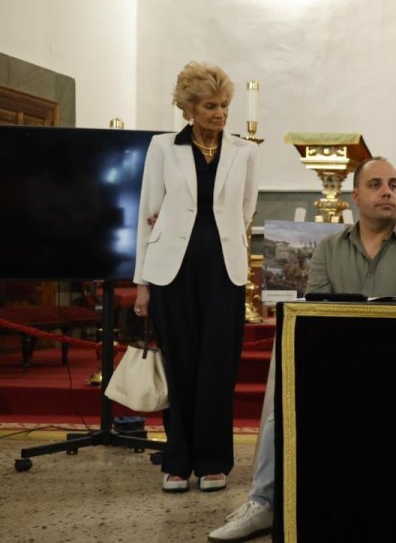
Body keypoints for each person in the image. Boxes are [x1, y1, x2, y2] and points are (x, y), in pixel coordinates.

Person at [210, 157, 396, 541]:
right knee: (280, 372)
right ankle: (265, 502)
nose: (387, 192)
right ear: (355, 197)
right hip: (337, 354)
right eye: (377, 184)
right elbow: (317, 310)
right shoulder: (328, 248)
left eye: (394, 185)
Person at [133, 62, 259, 494]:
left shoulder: (244, 151)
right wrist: (142, 283)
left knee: (218, 368)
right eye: (210, 106)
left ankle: (213, 461)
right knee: (180, 364)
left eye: (225, 105)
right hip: (171, 270)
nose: (221, 113)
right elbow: (147, 217)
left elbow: (245, 212)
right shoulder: (163, 148)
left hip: (224, 271)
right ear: (189, 108)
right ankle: (177, 461)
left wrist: (225, 244)